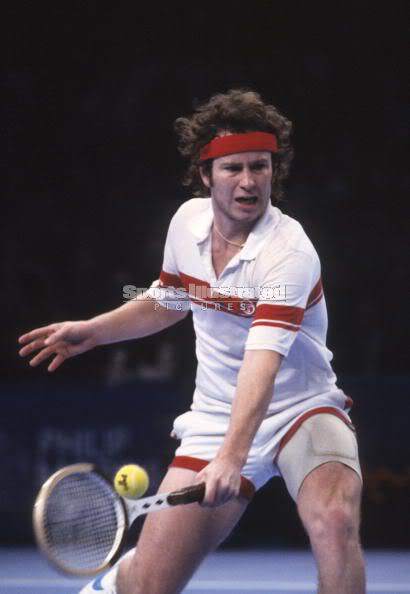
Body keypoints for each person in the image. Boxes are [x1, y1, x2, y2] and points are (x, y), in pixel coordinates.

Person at [18, 89, 365, 594]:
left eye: (260, 166)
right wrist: (94, 331)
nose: (249, 181)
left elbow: (262, 364)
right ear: (206, 174)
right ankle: (115, 582)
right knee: (150, 584)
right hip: (215, 416)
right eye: (233, 168)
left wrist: (232, 458)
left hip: (302, 409)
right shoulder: (186, 224)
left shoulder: (288, 252)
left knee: (334, 520)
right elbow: (170, 299)